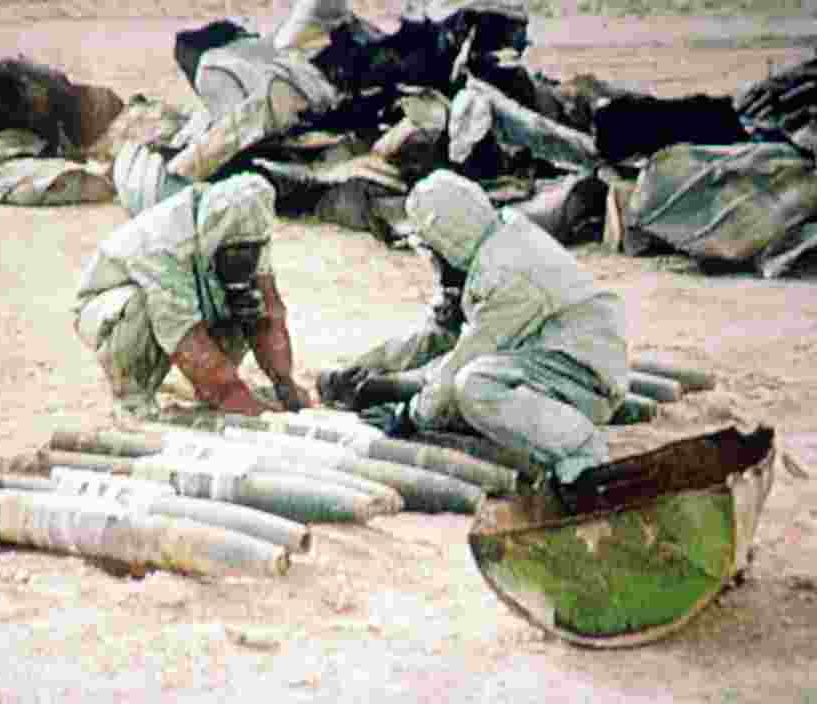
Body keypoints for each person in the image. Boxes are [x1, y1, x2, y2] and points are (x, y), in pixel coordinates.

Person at [321, 169, 629, 485]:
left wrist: (410, 413)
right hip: (545, 361)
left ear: (446, 240)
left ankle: (582, 453)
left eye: (430, 248)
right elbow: (439, 336)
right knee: (451, 383)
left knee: (473, 386)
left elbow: (464, 360)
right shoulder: (490, 245)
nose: (430, 258)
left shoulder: (508, 274)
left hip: (585, 378)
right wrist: (367, 364)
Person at [73, 173, 314, 424]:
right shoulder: (166, 244)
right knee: (138, 305)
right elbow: (185, 338)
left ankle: (215, 390)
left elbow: (269, 314)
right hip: (112, 310)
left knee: (245, 298)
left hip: (186, 303)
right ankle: (134, 399)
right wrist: (243, 403)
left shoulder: (249, 225)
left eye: (250, 251)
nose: (245, 258)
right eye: (234, 252)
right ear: (215, 239)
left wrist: (284, 383)